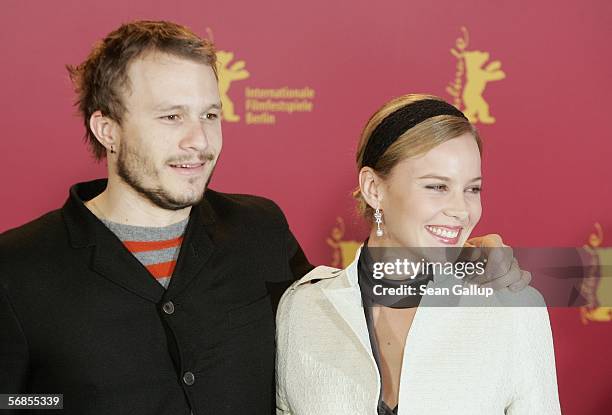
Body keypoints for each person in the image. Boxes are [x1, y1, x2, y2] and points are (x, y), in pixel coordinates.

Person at [0, 21, 530, 415]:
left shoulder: (258, 231)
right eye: (171, 117)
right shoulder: (17, 269)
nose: (199, 140)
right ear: (106, 128)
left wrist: (461, 264)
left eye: (210, 114)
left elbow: (342, 313)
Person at [276, 94, 561, 414]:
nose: (461, 210)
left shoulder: (513, 308)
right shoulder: (301, 309)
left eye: (473, 189)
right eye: (437, 186)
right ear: (374, 188)